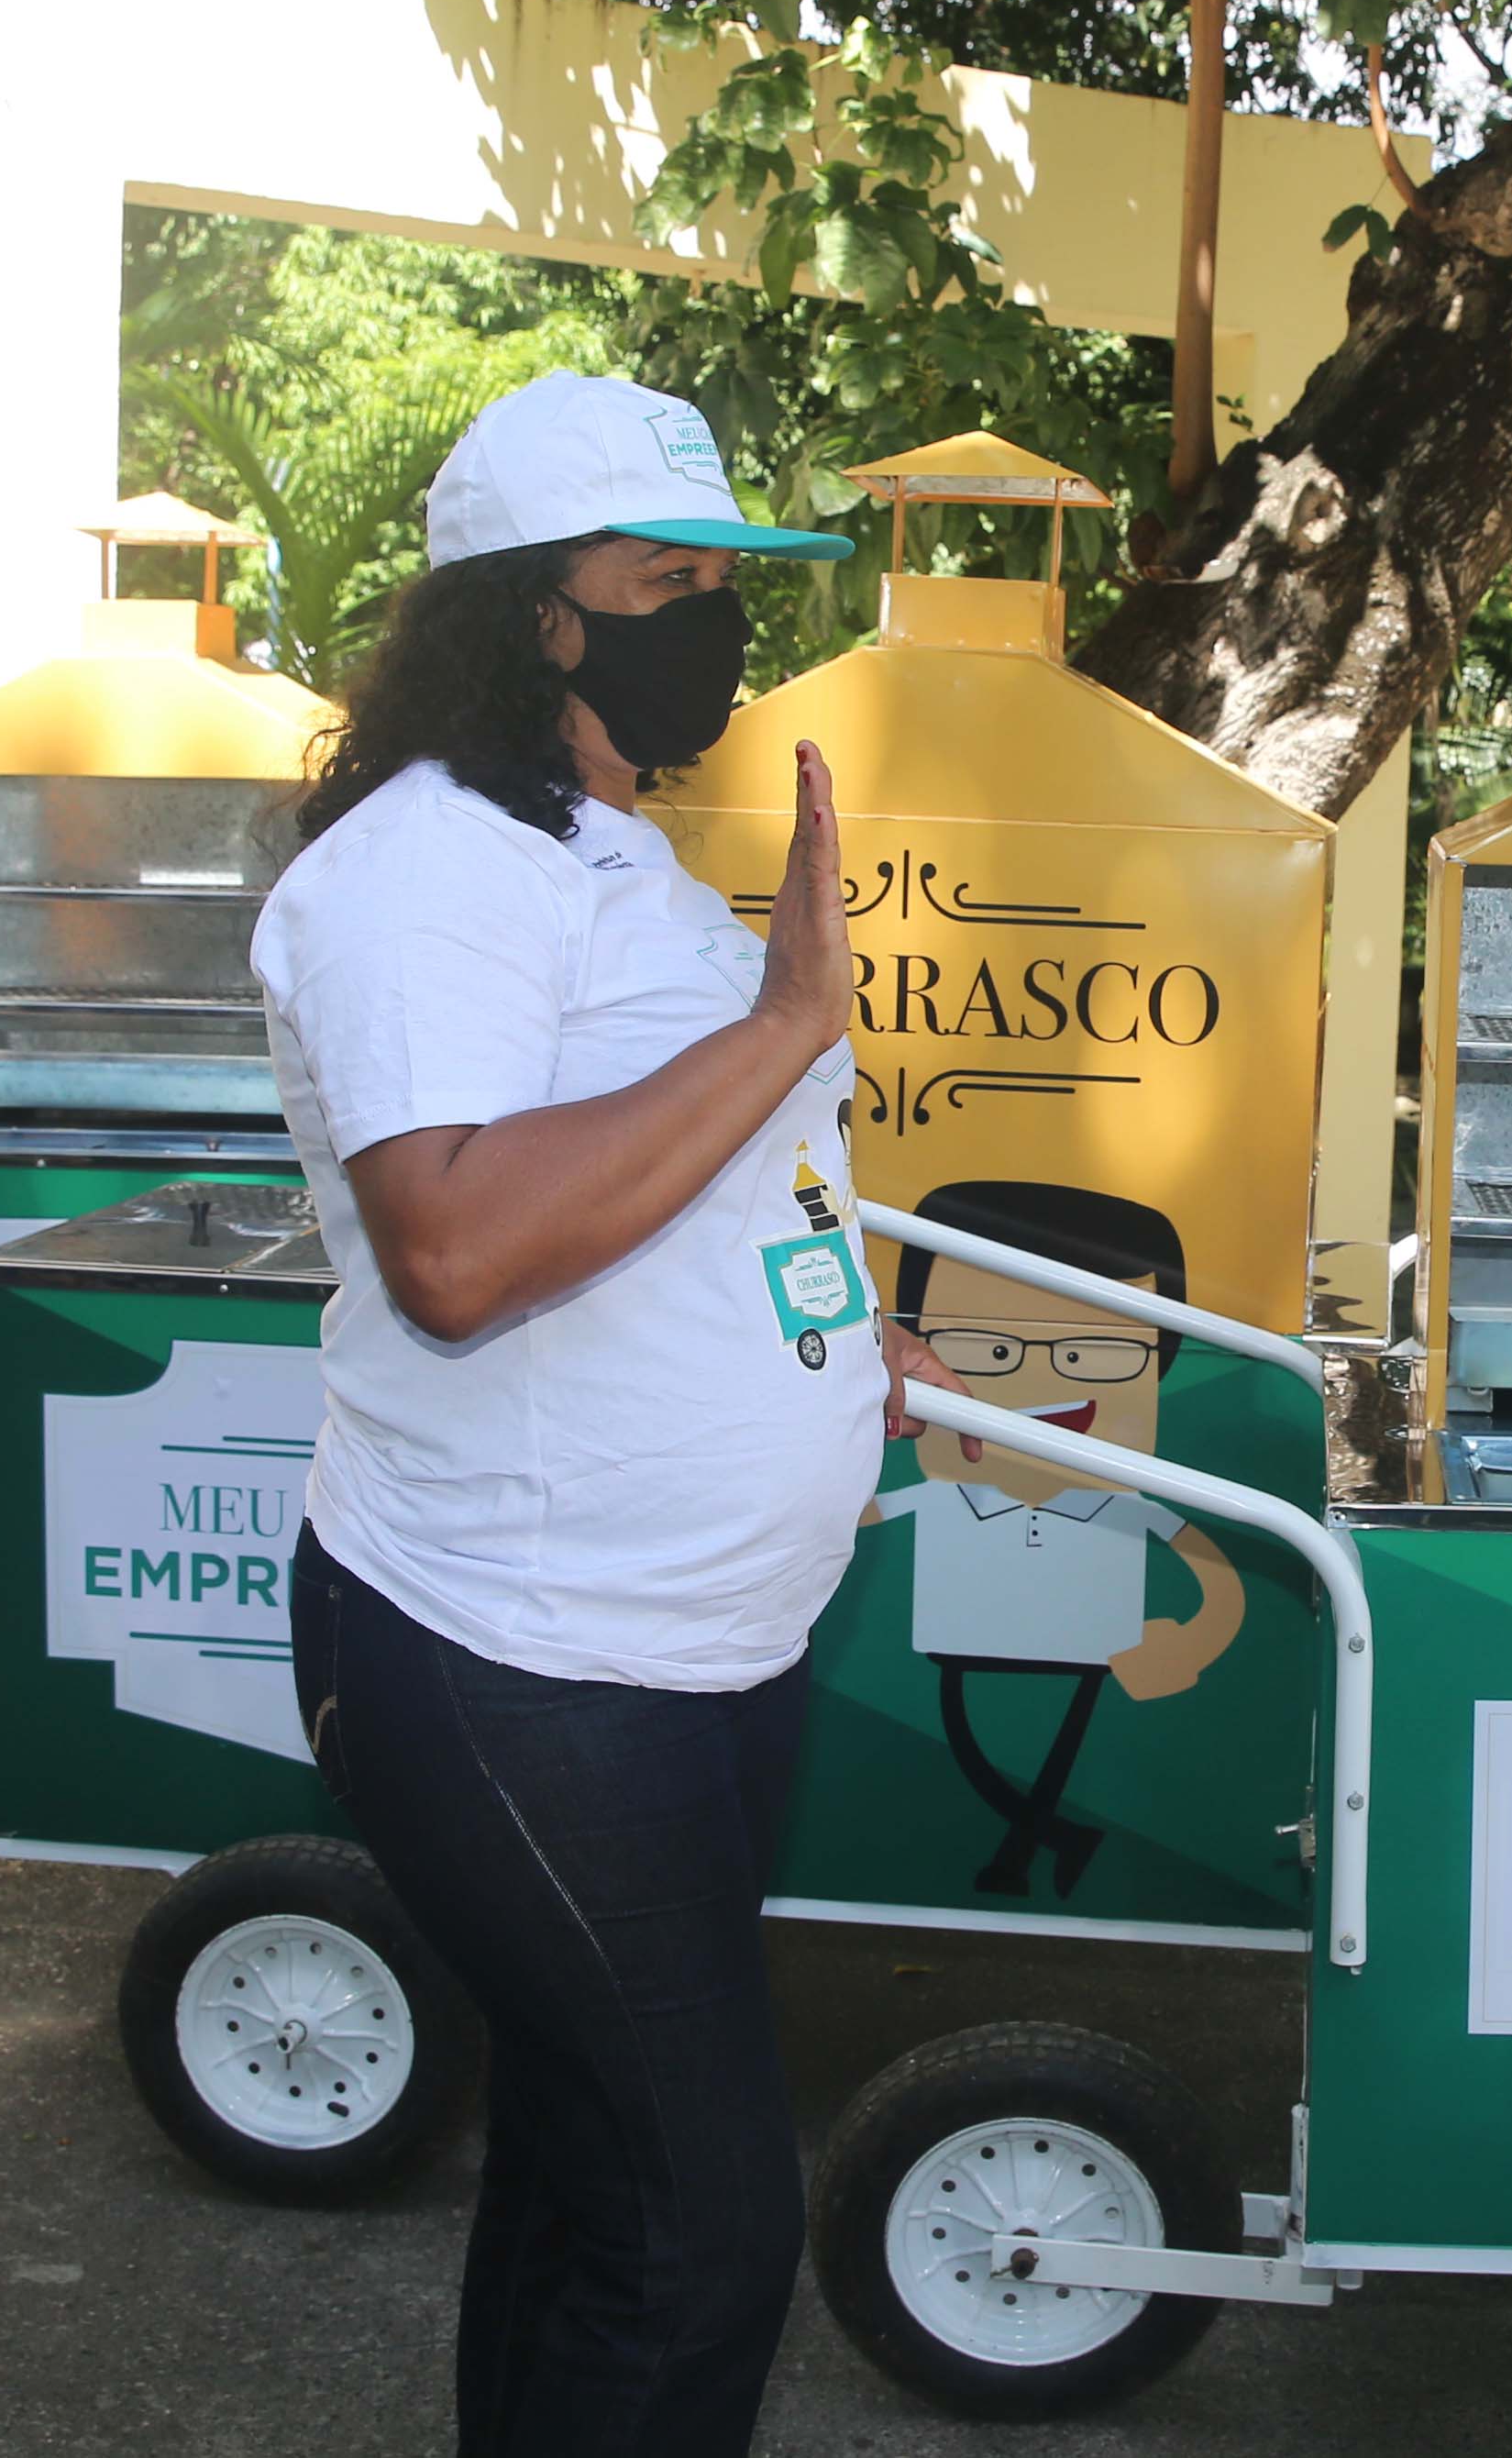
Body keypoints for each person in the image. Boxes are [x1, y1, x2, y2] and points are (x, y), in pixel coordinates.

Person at [251, 371, 955, 2454]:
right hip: (512, 1654)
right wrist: (794, 1021)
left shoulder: (609, 854)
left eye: (726, 583)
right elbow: (452, 1244)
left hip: (682, 1650)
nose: (716, 623)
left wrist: (837, 1346)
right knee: (693, 2228)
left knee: (585, 2173)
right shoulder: (429, 870)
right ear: (534, 616)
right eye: (670, 583)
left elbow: (717, 1179)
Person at [876, 1178, 1250, 1899]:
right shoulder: (951, 1496)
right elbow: (864, 1514)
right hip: (965, 1629)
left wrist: (1195, 1639)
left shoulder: (1122, 1503)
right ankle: (1052, 1838)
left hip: (1091, 1637)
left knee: (1064, 1730)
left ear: (1161, 1363)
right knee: (965, 1727)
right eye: (987, 1349)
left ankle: (1030, 1848)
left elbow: (1212, 1573)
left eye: (1094, 1355)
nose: (1045, 1377)